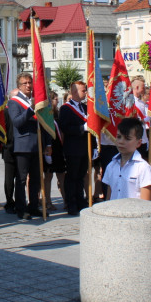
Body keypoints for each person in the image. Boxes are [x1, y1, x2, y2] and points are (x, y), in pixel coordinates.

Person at [8, 73, 41, 219]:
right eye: (25, 83)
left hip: (36, 144)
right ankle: (21, 208)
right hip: (23, 145)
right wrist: (30, 110)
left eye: (30, 82)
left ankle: (33, 206)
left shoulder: (34, 100)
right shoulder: (15, 102)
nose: (28, 85)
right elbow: (17, 122)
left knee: (35, 179)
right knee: (21, 179)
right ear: (19, 86)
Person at [59, 81, 94, 214]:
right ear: (74, 92)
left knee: (81, 176)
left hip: (85, 147)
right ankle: (71, 203)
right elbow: (65, 128)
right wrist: (82, 128)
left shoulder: (85, 107)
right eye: (83, 90)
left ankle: (81, 201)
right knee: (72, 177)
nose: (85, 92)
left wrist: (94, 147)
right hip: (73, 148)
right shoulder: (66, 109)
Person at [101, 117, 151, 201]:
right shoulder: (111, 166)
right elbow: (109, 197)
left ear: (138, 142)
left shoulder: (143, 168)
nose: (121, 141)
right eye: (119, 137)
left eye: (127, 138)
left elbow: (146, 203)